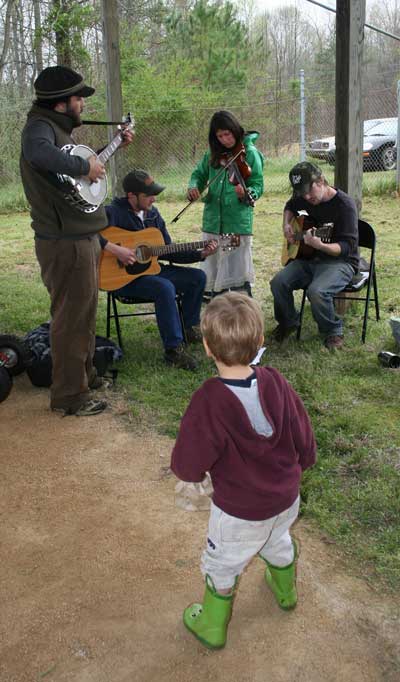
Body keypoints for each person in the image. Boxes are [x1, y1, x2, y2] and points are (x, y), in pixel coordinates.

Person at [171, 292, 316, 650]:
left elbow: (189, 460)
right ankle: (285, 592)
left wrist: (188, 474)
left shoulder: (209, 399)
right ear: (260, 341)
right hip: (285, 498)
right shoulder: (276, 381)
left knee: (222, 563)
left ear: (207, 346)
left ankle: (212, 626)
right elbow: (302, 430)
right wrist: (305, 461)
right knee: (277, 540)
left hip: (239, 511)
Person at [20, 65, 133, 416]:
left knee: (84, 314)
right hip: (63, 242)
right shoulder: (39, 129)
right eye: (78, 99)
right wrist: (85, 168)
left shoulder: (56, 128)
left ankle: (84, 377)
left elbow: (69, 172)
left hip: (80, 236)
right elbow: (41, 155)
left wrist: (104, 151)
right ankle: (69, 396)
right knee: (71, 318)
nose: (83, 104)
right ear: (60, 104)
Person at [103, 169, 218, 371]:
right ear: (131, 195)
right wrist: (117, 250)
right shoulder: (112, 213)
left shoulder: (153, 215)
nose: (154, 199)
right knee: (164, 287)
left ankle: (189, 328)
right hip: (123, 279)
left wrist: (200, 254)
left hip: (152, 271)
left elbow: (168, 251)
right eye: (148, 195)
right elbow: (89, 236)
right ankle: (174, 350)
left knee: (198, 277)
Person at [270, 161, 359, 350]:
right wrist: (286, 224)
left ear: (321, 181)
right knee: (278, 282)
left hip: (340, 262)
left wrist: (320, 245)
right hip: (309, 258)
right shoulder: (303, 197)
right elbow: (290, 205)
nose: (306, 197)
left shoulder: (344, 206)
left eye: (309, 191)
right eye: (302, 193)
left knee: (316, 291)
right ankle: (289, 322)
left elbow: (346, 248)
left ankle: (333, 330)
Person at [187, 110, 264, 297]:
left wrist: (247, 192)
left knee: (235, 269)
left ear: (235, 130)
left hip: (235, 220)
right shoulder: (213, 154)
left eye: (227, 134)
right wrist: (193, 186)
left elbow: (257, 184)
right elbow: (198, 174)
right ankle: (215, 304)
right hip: (213, 218)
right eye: (219, 136)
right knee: (212, 262)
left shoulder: (250, 153)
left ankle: (241, 304)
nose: (224, 140)